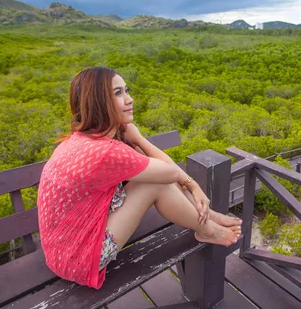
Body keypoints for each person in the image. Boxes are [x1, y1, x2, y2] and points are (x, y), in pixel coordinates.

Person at [37, 66, 241, 289]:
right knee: (152, 184)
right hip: (78, 259)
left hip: (60, 247)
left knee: (150, 173)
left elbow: (158, 169)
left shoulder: (81, 139)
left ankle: (207, 216)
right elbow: (169, 172)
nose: (129, 99)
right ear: (97, 102)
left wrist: (190, 186)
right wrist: (139, 139)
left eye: (126, 90)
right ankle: (207, 230)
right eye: (117, 93)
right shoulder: (106, 151)